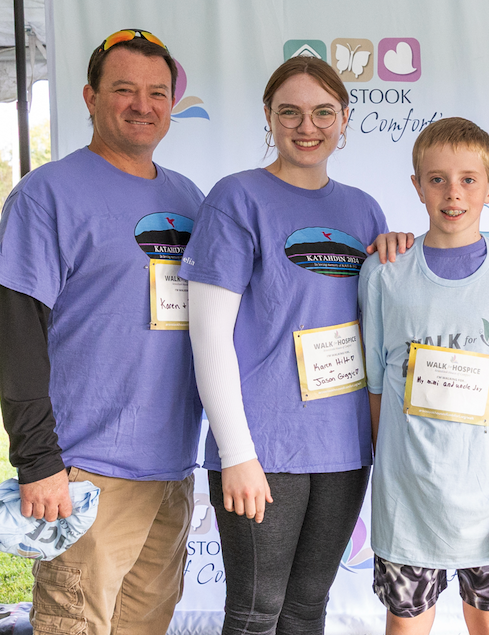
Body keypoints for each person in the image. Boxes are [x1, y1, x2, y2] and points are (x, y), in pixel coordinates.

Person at [0, 29, 203, 634]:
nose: (143, 105)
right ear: (90, 97)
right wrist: (39, 461)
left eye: (157, 92)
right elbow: (16, 333)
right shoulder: (46, 196)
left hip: (171, 470)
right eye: (124, 90)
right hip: (84, 473)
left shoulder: (189, 198)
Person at [178, 56, 387, 634]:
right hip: (264, 447)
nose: (307, 126)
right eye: (289, 112)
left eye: (323, 112)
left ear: (345, 118)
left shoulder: (364, 209)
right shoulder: (237, 198)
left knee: (305, 611)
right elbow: (208, 334)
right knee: (255, 614)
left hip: (344, 447)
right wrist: (236, 453)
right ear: (268, 117)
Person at [358, 117, 489, 635]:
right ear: (417, 185)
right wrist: (393, 478)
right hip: (407, 505)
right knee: (405, 626)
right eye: (437, 179)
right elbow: (376, 391)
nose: (453, 193)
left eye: (468, 179)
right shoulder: (384, 273)